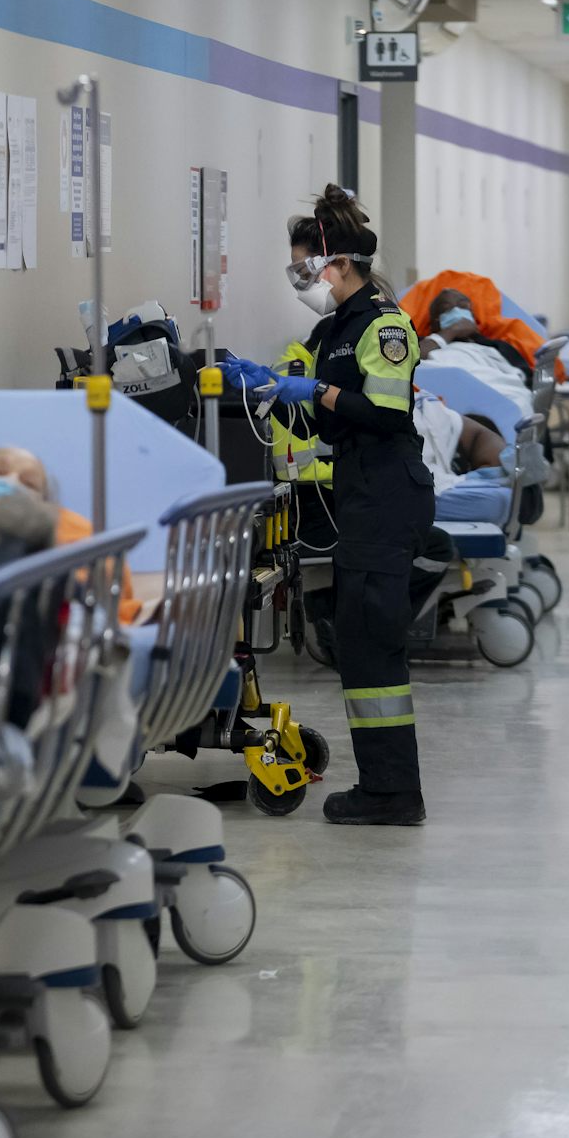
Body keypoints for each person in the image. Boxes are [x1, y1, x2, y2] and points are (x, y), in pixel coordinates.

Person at [222, 185, 431, 826]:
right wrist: (263, 388)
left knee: (372, 649)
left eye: (306, 267)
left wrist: (316, 389)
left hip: (387, 498)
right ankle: (386, 786)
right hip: (359, 499)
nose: (302, 278)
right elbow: (314, 422)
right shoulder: (332, 328)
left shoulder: (385, 325)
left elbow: (386, 412)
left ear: (337, 264)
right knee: (360, 644)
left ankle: (392, 793)